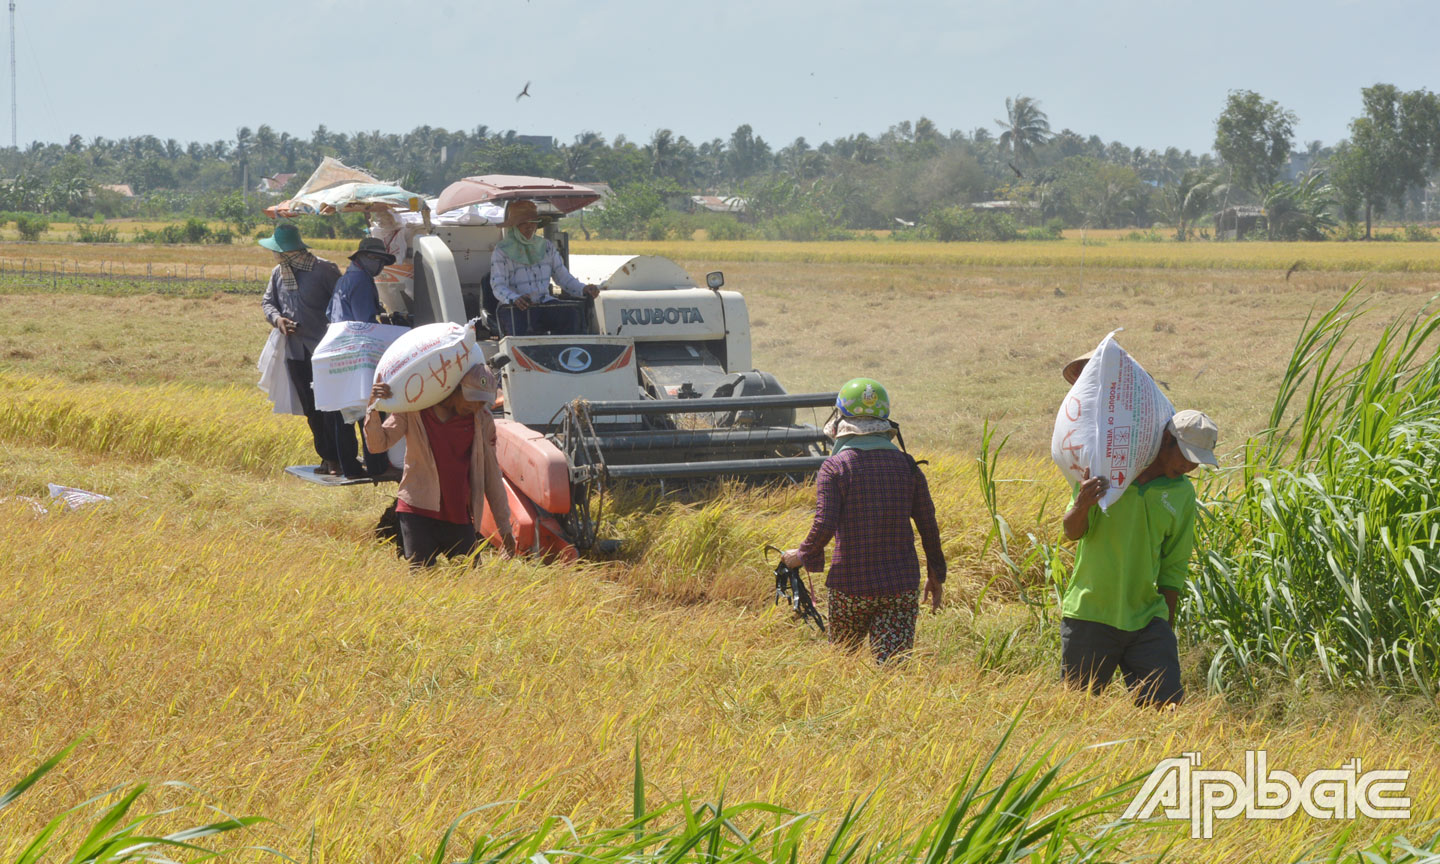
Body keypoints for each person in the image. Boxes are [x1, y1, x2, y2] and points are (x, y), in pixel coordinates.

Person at [1059, 409, 1219, 707]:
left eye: (1196, 460)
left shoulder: (1182, 493)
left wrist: (1165, 631)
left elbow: (1174, 564)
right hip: (1091, 612)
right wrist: (1081, 505)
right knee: (1076, 710)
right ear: (1166, 440)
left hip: (1147, 618)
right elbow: (1071, 532)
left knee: (1165, 708)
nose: (1189, 467)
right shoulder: (1106, 475)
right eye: (1185, 455)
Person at [782, 378, 946, 663]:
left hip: (851, 586)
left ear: (841, 419)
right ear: (884, 420)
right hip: (900, 586)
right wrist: (936, 574)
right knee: (893, 668)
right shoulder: (907, 466)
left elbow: (824, 524)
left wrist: (801, 556)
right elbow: (928, 526)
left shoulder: (835, 468)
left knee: (844, 664)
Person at [364, 364, 517, 566]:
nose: (477, 406)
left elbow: (491, 475)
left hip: (459, 513)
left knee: (469, 579)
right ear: (454, 388)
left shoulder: (482, 420)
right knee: (422, 577)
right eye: (473, 398)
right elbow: (377, 445)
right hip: (416, 510)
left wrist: (504, 528)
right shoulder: (414, 409)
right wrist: (373, 407)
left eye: (483, 401)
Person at [259, 223, 345, 474]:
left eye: (277, 250)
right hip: (295, 352)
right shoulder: (278, 272)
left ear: (287, 251)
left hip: (324, 351)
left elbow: (340, 304)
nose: (274, 254)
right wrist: (278, 320)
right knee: (311, 408)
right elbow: (268, 302)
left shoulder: (324, 270)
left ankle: (340, 458)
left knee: (330, 406)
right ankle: (327, 457)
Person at [326, 237, 399, 479]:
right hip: (358, 353)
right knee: (370, 411)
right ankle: (376, 465)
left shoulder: (345, 279)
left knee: (344, 414)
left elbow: (330, 313)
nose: (378, 265)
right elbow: (364, 323)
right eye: (375, 259)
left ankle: (350, 468)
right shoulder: (361, 281)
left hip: (338, 351)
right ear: (362, 257)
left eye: (381, 260)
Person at [489, 199, 600, 336]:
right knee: (522, 334)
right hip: (516, 308)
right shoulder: (501, 251)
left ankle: (570, 353)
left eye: (533, 223)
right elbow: (498, 286)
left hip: (546, 303)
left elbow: (563, 277)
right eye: (524, 224)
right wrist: (515, 298)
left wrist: (583, 289)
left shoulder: (546, 247)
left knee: (572, 315)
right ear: (514, 226)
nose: (530, 228)